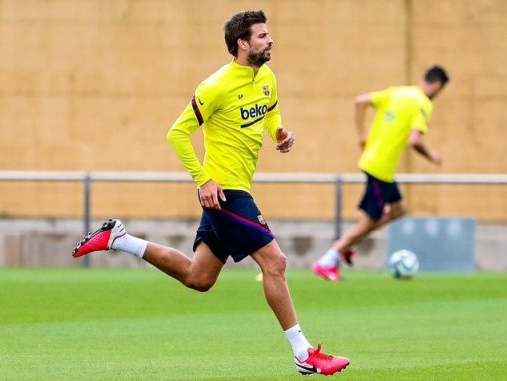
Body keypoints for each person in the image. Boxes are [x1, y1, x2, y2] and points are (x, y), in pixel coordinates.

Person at [71, 10, 349, 376]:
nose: (271, 40)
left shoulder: (266, 77)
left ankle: (119, 239)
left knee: (198, 278)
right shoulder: (215, 86)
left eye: (269, 34)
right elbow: (176, 133)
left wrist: (279, 132)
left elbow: (271, 111)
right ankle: (303, 354)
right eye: (263, 36)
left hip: (235, 188)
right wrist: (203, 180)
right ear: (242, 43)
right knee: (276, 263)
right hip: (224, 191)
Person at [312, 66, 449, 281]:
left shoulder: (398, 92)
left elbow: (359, 102)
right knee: (369, 221)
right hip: (380, 168)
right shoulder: (423, 103)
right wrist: (431, 156)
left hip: (377, 164)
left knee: (399, 209)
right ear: (438, 86)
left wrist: (361, 135)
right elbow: (415, 140)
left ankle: (349, 245)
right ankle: (329, 259)